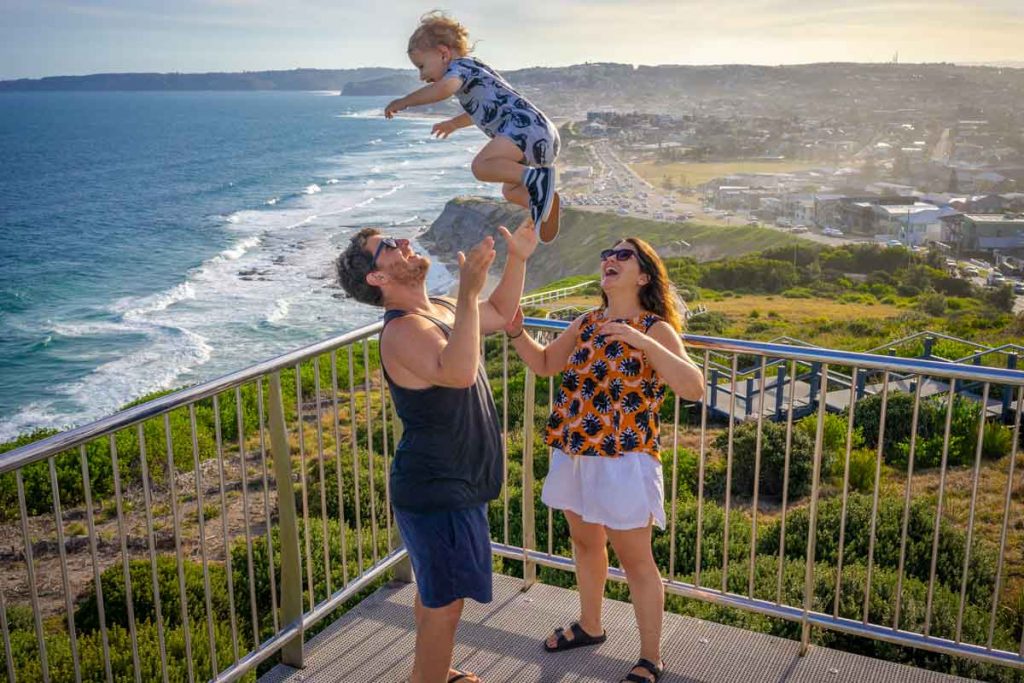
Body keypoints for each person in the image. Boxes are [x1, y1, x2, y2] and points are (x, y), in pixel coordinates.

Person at [335, 218, 536, 683]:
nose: (404, 241)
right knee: (445, 606)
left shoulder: (440, 308)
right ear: (377, 278)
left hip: (452, 483)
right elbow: (459, 371)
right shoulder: (402, 331)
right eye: (387, 245)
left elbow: (502, 310)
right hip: (436, 489)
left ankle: (434, 671)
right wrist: (467, 293)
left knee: (436, 595)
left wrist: (518, 260)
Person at [503, 237, 704, 683]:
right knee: (585, 544)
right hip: (575, 452)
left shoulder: (656, 329)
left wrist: (639, 339)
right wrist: (517, 332)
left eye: (622, 255)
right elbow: (544, 363)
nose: (609, 260)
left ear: (644, 275)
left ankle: (651, 657)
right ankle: (591, 625)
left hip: (624, 460)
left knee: (636, 561)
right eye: (606, 255)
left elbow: (693, 388)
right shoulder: (586, 322)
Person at [385, 12, 561, 243]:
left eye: (421, 66)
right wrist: (454, 123)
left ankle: (538, 180)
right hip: (537, 137)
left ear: (443, 53)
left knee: (481, 166)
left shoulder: (460, 67)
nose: (421, 76)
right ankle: (543, 200)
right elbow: (479, 111)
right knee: (510, 191)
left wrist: (405, 101)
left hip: (527, 130)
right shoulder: (474, 72)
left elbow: (443, 90)